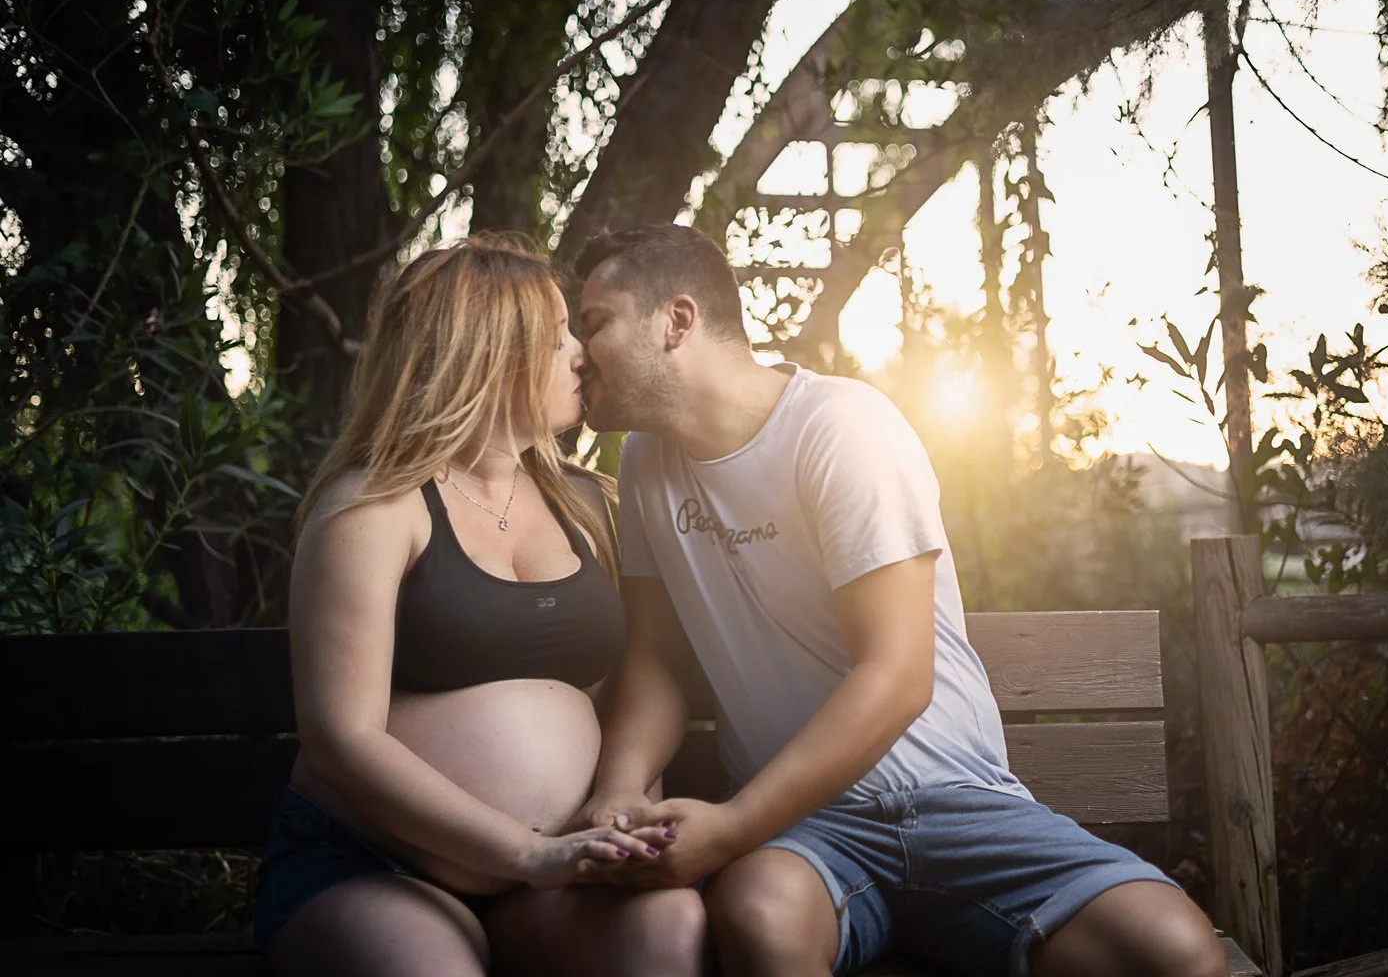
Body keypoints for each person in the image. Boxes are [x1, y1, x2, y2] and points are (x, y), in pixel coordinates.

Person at [570, 223, 1230, 977]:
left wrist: (728, 828)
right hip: (807, 833)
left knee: (1178, 954)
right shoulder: (648, 463)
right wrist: (619, 793)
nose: (577, 350)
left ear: (676, 321)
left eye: (594, 323)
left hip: (956, 802)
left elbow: (896, 676)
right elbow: (656, 657)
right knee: (759, 917)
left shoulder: (840, 426)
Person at [255, 234, 707, 977]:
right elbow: (341, 738)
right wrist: (529, 851)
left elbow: (623, 690)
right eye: (558, 333)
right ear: (488, 350)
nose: (581, 353)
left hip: (557, 873)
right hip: (376, 866)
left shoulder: (588, 504)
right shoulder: (371, 509)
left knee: (667, 928)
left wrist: (621, 817)